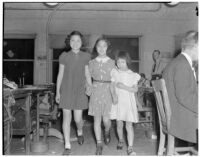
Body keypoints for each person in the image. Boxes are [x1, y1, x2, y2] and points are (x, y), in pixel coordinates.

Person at [55, 31, 91, 155]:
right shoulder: (64, 56)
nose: (75, 43)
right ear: (69, 42)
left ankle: (79, 131)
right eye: (72, 40)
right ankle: (67, 145)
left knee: (77, 119)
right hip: (66, 90)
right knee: (66, 117)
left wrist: (90, 86)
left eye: (78, 41)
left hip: (80, 90)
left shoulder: (86, 56)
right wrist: (57, 93)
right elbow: (60, 75)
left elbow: (87, 74)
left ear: (82, 43)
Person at [162, 30, 198, 144]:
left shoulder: (177, 62)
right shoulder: (182, 65)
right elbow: (184, 97)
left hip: (176, 114)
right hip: (181, 119)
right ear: (196, 46)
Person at [85, 37, 115, 155]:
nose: (101, 48)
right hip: (96, 91)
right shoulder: (91, 63)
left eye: (104, 46)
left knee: (106, 119)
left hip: (108, 91)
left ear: (107, 48)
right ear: (96, 48)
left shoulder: (113, 62)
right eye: (99, 46)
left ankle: (107, 130)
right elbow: (87, 78)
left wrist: (115, 93)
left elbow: (115, 79)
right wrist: (88, 87)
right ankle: (99, 143)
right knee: (96, 119)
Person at [110, 51, 141, 155]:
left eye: (122, 62)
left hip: (128, 102)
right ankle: (120, 140)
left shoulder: (133, 75)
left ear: (127, 61)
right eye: (118, 62)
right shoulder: (115, 72)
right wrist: (114, 95)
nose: (120, 64)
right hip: (118, 102)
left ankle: (130, 147)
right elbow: (112, 85)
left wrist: (124, 87)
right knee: (119, 124)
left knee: (129, 125)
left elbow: (135, 89)